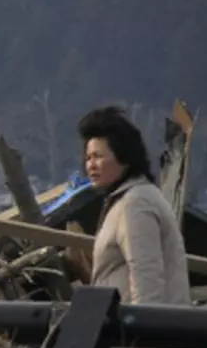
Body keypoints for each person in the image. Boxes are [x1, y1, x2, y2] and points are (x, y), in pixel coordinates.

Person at [81, 106, 189, 305]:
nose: (91, 165)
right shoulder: (124, 200)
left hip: (140, 330)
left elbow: (147, 276)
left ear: (124, 157)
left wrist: (142, 329)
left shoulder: (135, 204)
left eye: (98, 156)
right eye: (88, 158)